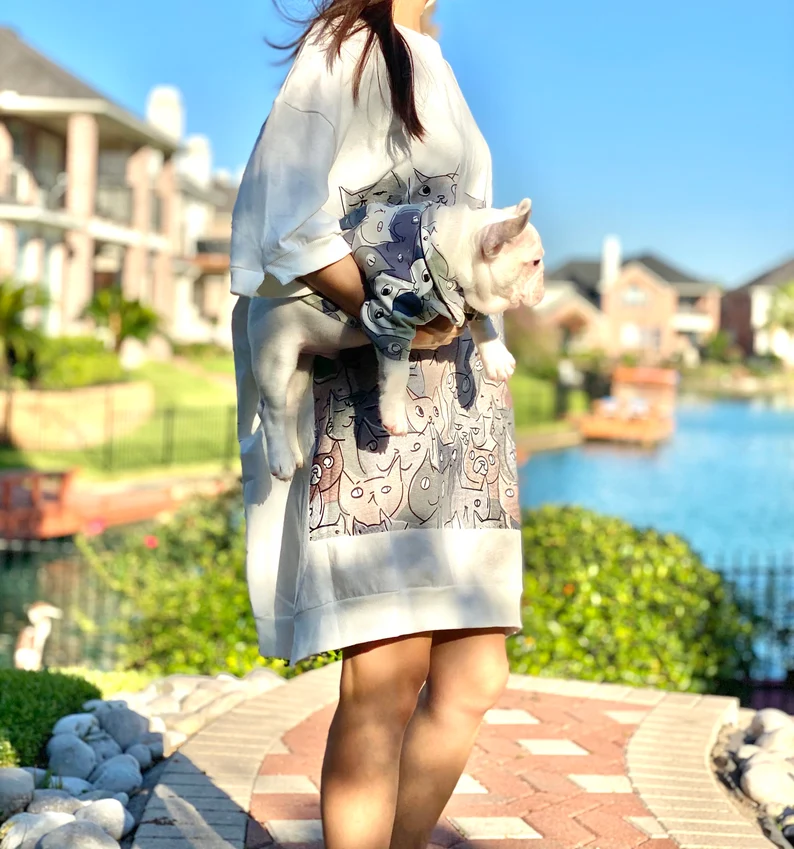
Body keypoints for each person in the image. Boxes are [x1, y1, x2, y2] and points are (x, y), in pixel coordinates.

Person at [230, 1, 524, 847]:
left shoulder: (435, 54)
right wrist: (392, 310)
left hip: (465, 401)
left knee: (474, 671)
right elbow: (282, 214)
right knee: (386, 675)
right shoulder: (347, 45)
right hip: (375, 391)